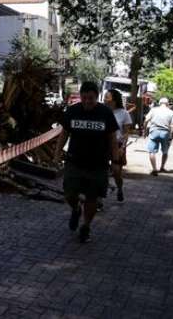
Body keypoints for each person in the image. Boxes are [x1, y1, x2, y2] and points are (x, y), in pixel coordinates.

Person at [58, 81, 119, 243]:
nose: (87, 102)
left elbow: (112, 139)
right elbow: (64, 134)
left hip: (98, 165)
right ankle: (76, 209)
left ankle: (86, 226)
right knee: (69, 194)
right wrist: (57, 154)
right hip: (74, 162)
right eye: (84, 98)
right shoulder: (73, 111)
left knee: (92, 198)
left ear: (96, 97)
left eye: (90, 98)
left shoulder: (105, 113)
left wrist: (115, 160)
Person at [104, 88, 132, 202]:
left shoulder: (124, 113)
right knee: (102, 172)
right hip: (103, 145)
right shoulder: (102, 111)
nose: (105, 99)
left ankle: (119, 188)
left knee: (116, 171)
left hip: (118, 145)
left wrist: (122, 147)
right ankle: (100, 198)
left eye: (107, 96)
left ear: (114, 100)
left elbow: (126, 133)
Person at [144, 98, 173, 175]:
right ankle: (162, 167)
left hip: (154, 132)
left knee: (152, 151)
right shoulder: (171, 112)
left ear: (159, 103)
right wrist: (171, 136)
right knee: (165, 151)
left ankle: (154, 169)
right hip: (165, 133)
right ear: (167, 104)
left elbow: (146, 120)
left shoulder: (153, 110)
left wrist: (145, 131)